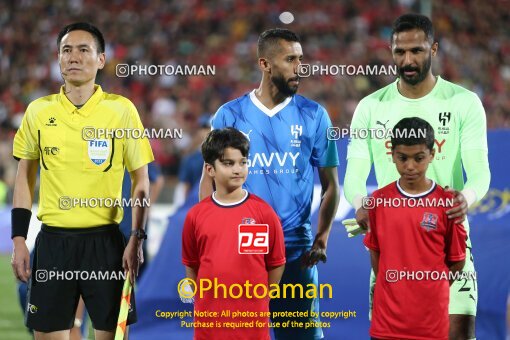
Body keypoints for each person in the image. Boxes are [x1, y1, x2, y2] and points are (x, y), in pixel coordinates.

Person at [344, 13, 490, 339]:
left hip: (449, 243)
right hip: (393, 249)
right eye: (400, 52)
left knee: (458, 333)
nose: (408, 60)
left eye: (417, 51)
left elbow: (480, 172)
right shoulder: (370, 107)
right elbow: (353, 174)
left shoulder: (464, 103)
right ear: (391, 52)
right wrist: (361, 203)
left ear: (434, 49)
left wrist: (462, 201)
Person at [10, 22, 154, 340]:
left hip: (106, 245)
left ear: (101, 60)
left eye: (83, 49)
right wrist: (19, 239)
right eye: (66, 50)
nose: (73, 56)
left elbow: (140, 180)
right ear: (58, 59)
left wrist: (137, 236)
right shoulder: (38, 111)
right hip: (52, 245)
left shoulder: (121, 111)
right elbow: (25, 175)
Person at [199, 28, 340, 340]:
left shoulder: (315, 115)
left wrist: (323, 236)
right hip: (240, 252)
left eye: (301, 59)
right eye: (290, 59)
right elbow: (208, 182)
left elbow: (331, 185)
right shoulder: (229, 114)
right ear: (265, 64)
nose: (299, 67)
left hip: (295, 252)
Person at [364, 117, 467, 339]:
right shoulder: (378, 201)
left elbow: (457, 260)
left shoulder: (448, 203)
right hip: (386, 326)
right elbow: (377, 256)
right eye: (403, 158)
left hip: (431, 327)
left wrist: (430, 289)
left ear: (432, 154)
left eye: (418, 158)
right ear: (392, 155)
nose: (410, 166)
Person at [182, 127, 286, 340]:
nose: (238, 169)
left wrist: (261, 299)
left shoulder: (264, 213)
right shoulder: (196, 216)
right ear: (210, 169)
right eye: (228, 163)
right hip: (209, 325)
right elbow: (191, 265)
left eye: (243, 162)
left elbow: (276, 263)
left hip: (252, 326)